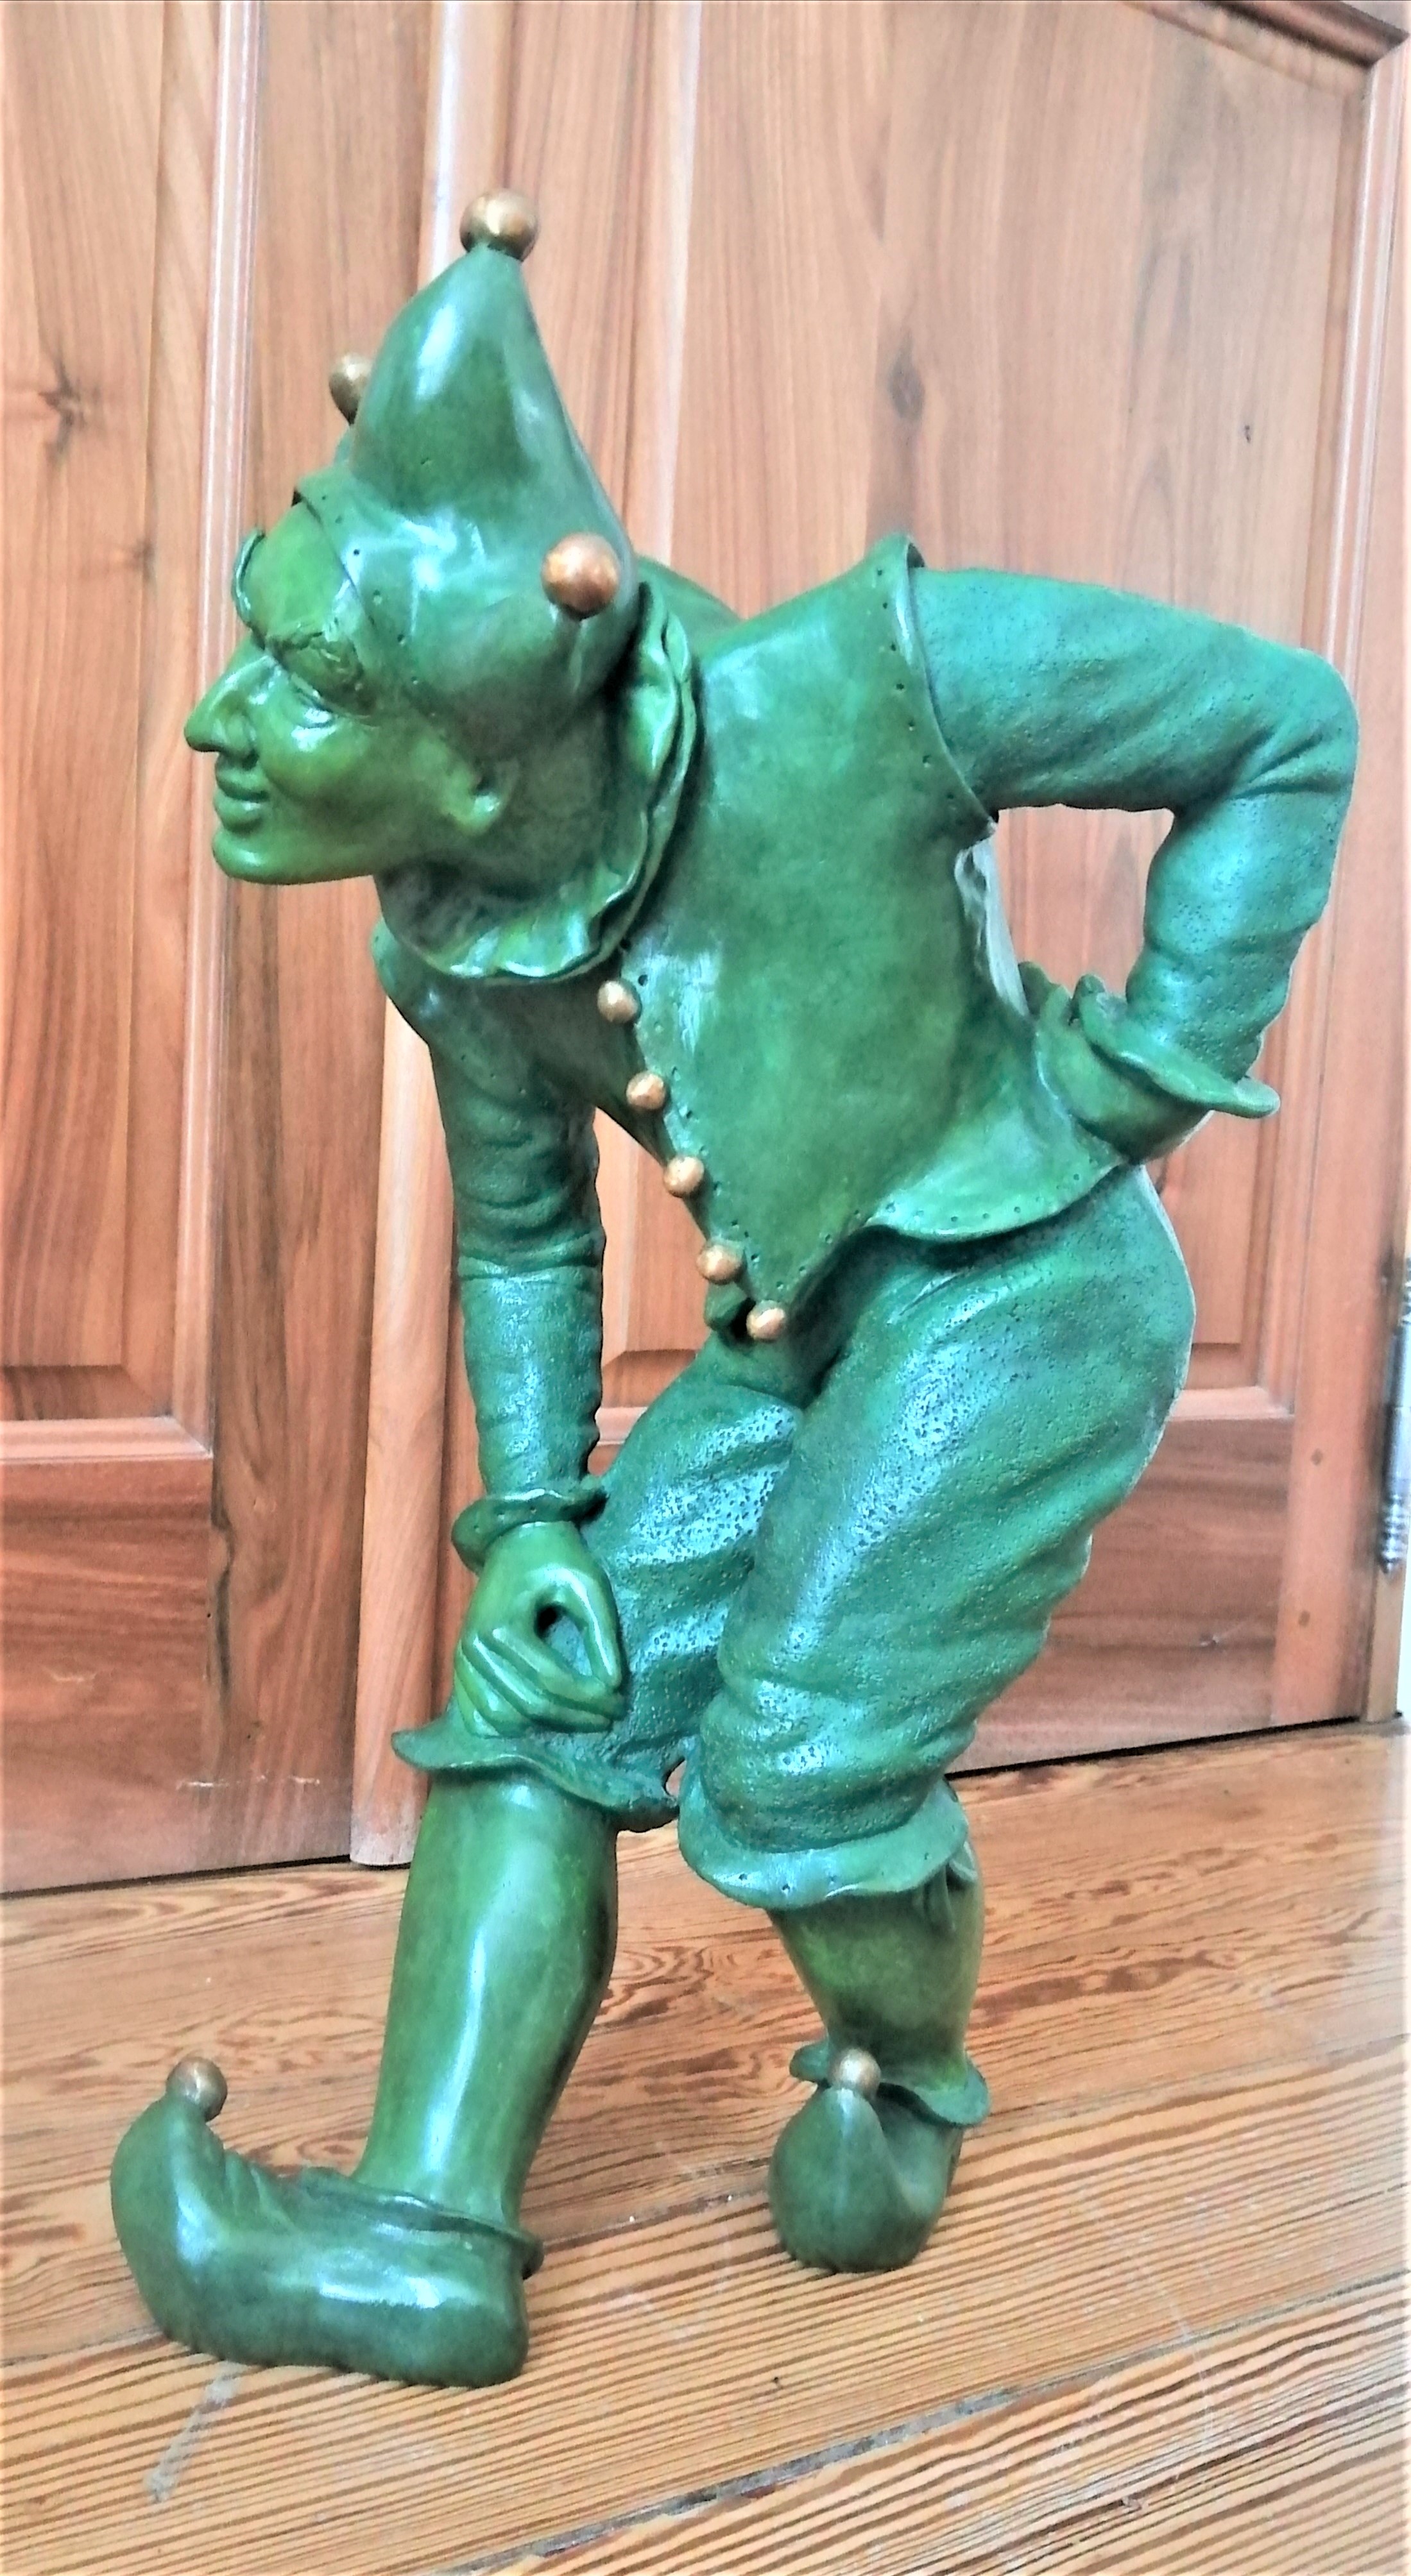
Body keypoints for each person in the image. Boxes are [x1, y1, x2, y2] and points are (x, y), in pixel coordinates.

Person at [112, 191, 1358, 2386]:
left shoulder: (867, 687)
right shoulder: (451, 929)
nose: (225, 718)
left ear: (490, 747)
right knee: (541, 1686)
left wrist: (1148, 1071)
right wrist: (532, 1523)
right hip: (809, 1338)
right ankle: (422, 2234)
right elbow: (528, 1232)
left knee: (793, 1762)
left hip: (1029, 1293)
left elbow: (1285, 726)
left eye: (307, 683)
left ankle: (906, 2066)